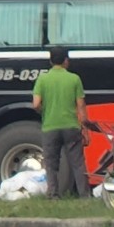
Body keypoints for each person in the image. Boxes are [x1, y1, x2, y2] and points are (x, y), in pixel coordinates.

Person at [32, 46, 90, 198]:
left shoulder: (43, 79)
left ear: (51, 61)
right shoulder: (74, 79)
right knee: (77, 163)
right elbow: (81, 106)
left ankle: (53, 194)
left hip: (50, 126)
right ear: (66, 60)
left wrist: (45, 111)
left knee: (51, 164)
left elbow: (36, 104)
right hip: (71, 126)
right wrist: (85, 127)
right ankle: (85, 195)